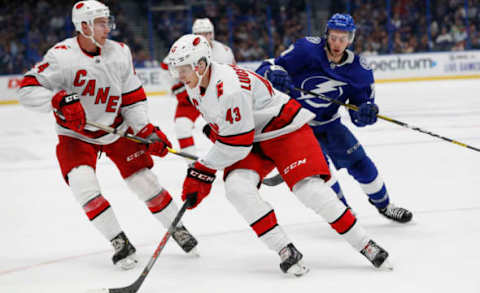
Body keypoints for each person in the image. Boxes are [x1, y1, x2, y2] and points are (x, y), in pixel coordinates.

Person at [167, 34, 393, 276]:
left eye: (183, 69)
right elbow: (232, 130)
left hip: (284, 129)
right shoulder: (195, 85)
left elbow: (237, 144)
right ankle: (285, 249)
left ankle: (366, 244)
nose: (179, 76)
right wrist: (215, 136)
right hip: (252, 137)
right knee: (237, 188)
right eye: (176, 69)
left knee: (310, 190)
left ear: (201, 65)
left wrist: (203, 169)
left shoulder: (228, 87)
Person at [16, 0, 198, 270]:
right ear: (84, 26)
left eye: (107, 21)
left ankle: (177, 227)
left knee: (145, 182)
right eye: (101, 22)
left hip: (116, 127)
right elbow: (27, 89)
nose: (108, 27)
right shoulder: (61, 56)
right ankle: (119, 241)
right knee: (82, 184)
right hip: (75, 134)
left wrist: (144, 130)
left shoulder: (120, 52)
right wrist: (59, 100)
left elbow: (133, 98)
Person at [256, 13, 413, 223]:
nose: (338, 43)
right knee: (322, 173)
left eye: (343, 38)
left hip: (329, 124)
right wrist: (273, 72)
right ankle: (344, 212)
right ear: (326, 35)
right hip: (297, 125)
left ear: (351, 39)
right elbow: (267, 66)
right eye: (334, 37)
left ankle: (385, 206)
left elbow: (358, 113)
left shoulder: (360, 70)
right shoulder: (306, 50)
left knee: (361, 164)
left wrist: (364, 113)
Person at [165, 18, 236, 157]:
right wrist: (178, 89)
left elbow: (234, 75)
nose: (204, 37)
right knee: (181, 126)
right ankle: (192, 165)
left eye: (207, 33)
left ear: (213, 34)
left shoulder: (224, 52)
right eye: (200, 33)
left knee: (226, 132)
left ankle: (234, 162)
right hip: (192, 95)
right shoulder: (183, 47)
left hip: (217, 98)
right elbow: (168, 68)